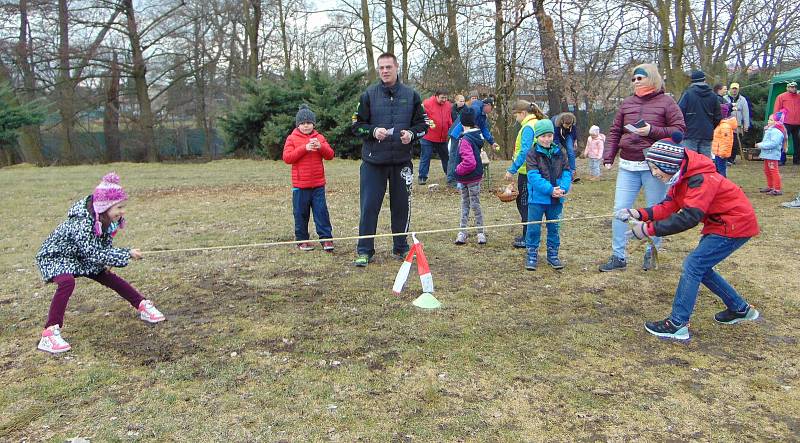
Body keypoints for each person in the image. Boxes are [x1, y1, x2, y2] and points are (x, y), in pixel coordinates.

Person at [619, 134, 760, 341]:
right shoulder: (682, 174)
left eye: (656, 168)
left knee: (693, 265)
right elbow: (669, 206)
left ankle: (677, 323)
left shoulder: (700, 178)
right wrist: (639, 214)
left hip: (734, 224)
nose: (654, 173)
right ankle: (740, 309)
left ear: (669, 164)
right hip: (719, 223)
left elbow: (688, 217)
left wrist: (648, 229)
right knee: (700, 267)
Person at [35, 173, 165, 354]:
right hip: (56, 256)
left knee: (107, 276)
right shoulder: (82, 222)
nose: (122, 211)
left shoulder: (105, 220)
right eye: (118, 207)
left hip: (82, 256)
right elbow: (94, 253)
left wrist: (111, 257)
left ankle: (143, 305)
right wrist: (125, 253)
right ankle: (49, 333)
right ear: (104, 207)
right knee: (67, 282)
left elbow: (102, 247)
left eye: (123, 206)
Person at [600, 63, 686, 272]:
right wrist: (609, 155)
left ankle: (651, 252)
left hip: (654, 167)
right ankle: (618, 256)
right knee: (620, 210)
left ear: (653, 78)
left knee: (655, 210)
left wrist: (651, 131)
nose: (636, 81)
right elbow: (614, 131)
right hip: (628, 165)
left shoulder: (667, 102)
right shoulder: (627, 103)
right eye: (634, 79)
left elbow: (679, 131)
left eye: (641, 77)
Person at [351, 52, 428, 267]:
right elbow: (357, 126)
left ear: (396, 68)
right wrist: (373, 131)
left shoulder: (411, 95)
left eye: (388, 67)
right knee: (369, 207)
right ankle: (364, 250)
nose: (385, 71)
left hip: (401, 162)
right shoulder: (368, 95)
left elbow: (424, 125)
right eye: (381, 67)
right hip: (373, 163)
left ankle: (401, 247)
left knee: (401, 207)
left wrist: (411, 134)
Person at [282, 104, 335, 251]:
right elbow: (287, 158)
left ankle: (326, 240)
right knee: (300, 214)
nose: (306, 126)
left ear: (313, 124)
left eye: (309, 123)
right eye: (303, 123)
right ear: (298, 124)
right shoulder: (292, 138)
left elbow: (330, 155)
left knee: (321, 213)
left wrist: (320, 147)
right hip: (300, 186)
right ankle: (302, 240)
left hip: (318, 185)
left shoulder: (319, 138)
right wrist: (304, 148)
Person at [524, 119, 572, 271]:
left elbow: (566, 172)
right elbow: (533, 177)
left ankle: (553, 254)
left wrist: (562, 189)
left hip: (556, 199)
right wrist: (550, 190)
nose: (547, 139)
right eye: (543, 136)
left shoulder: (560, 151)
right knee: (533, 227)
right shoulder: (532, 154)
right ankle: (531, 253)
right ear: (537, 137)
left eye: (549, 135)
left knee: (554, 227)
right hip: (537, 199)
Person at [504, 100, 546, 248]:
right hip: (536, 170)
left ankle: (528, 238)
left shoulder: (528, 127)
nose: (516, 119)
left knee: (524, 204)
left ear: (522, 113)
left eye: (516, 115)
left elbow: (525, 151)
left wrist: (512, 169)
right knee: (530, 203)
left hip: (527, 172)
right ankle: (528, 235)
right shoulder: (538, 122)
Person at [447, 96, 499, 186]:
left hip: (466, 135)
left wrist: (492, 142)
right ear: (488, 105)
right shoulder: (476, 109)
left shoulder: (482, 115)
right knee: (454, 155)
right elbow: (468, 122)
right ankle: (451, 179)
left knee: (462, 156)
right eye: (491, 108)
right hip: (457, 133)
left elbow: (483, 128)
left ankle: (460, 176)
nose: (491, 111)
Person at [453, 108, 487, 245]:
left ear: (462, 123)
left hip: (468, 177)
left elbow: (469, 162)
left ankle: (465, 232)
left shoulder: (465, 140)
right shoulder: (477, 135)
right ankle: (478, 233)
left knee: (467, 204)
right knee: (474, 204)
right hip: (474, 177)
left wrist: (457, 170)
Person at [678, 70, 721, 158]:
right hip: (707, 134)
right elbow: (718, 117)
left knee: (690, 162)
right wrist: (710, 126)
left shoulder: (687, 94)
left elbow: (679, 113)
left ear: (692, 81)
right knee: (705, 163)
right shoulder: (713, 96)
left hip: (690, 133)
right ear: (704, 80)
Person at [418, 89, 453, 185]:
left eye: (446, 97)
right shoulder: (427, 103)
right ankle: (422, 177)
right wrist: (426, 122)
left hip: (442, 137)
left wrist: (450, 127)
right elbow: (420, 115)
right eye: (442, 98)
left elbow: (449, 118)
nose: (444, 100)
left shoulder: (448, 105)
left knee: (445, 157)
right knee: (426, 156)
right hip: (428, 136)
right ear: (436, 96)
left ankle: (449, 175)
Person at [756, 113, 786, 196]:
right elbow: (767, 141)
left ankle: (777, 189)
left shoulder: (776, 132)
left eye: (771, 120)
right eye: (769, 119)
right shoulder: (771, 130)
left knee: (773, 171)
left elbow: (773, 143)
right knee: (767, 170)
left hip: (772, 155)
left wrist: (760, 145)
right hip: (768, 154)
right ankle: (770, 186)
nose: (768, 121)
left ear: (777, 122)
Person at [774, 81, 800, 165]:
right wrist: (777, 121)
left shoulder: (799, 97)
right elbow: (777, 109)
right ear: (787, 88)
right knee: (784, 141)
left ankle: (796, 160)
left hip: (797, 123)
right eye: (791, 87)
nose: (793, 88)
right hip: (785, 122)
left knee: (797, 142)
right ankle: (782, 159)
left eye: (795, 87)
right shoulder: (781, 97)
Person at [725, 82, 751, 165]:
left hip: (737, 125)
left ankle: (732, 158)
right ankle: (726, 158)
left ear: (738, 89)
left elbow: (745, 112)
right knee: (727, 141)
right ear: (730, 89)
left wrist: (746, 125)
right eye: (733, 89)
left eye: (736, 89)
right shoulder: (724, 98)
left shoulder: (742, 99)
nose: (734, 91)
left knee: (736, 142)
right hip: (726, 124)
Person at [551, 112, 579, 182]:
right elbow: (555, 138)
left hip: (567, 135)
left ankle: (573, 172)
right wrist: (557, 147)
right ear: (562, 122)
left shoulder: (572, 122)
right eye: (567, 125)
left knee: (570, 151)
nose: (569, 127)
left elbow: (573, 132)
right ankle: (560, 172)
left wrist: (575, 141)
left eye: (570, 125)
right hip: (556, 136)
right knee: (560, 153)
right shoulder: (555, 124)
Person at [711, 103, 736, 177]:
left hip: (721, 153)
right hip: (718, 152)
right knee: (718, 170)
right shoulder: (720, 125)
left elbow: (726, 141)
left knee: (721, 171)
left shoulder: (725, 126)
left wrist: (723, 154)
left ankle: (723, 185)